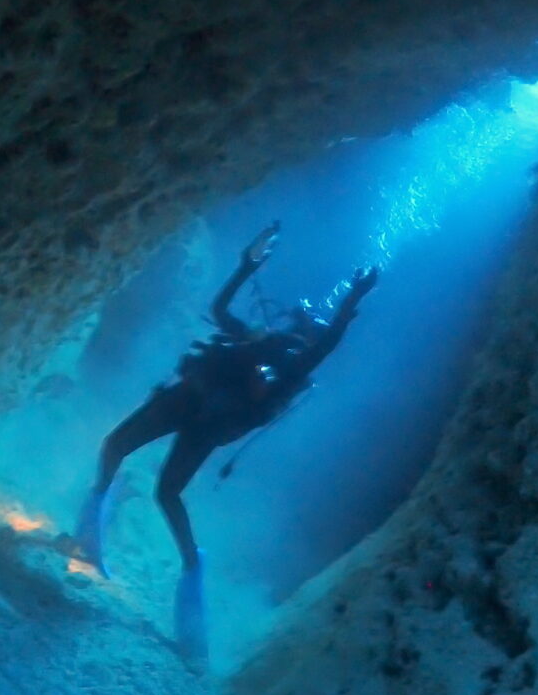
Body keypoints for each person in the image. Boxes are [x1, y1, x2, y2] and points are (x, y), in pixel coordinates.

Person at [73, 224, 379, 664]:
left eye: (304, 328)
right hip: (188, 401)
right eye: (297, 321)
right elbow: (219, 308)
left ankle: (192, 563)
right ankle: (98, 512)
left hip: (207, 425)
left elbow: (329, 342)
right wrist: (246, 265)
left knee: (165, 491)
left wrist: (354, 299)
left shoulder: (294, 370)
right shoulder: (256, 340)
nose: (296, 329)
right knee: (115, 446)